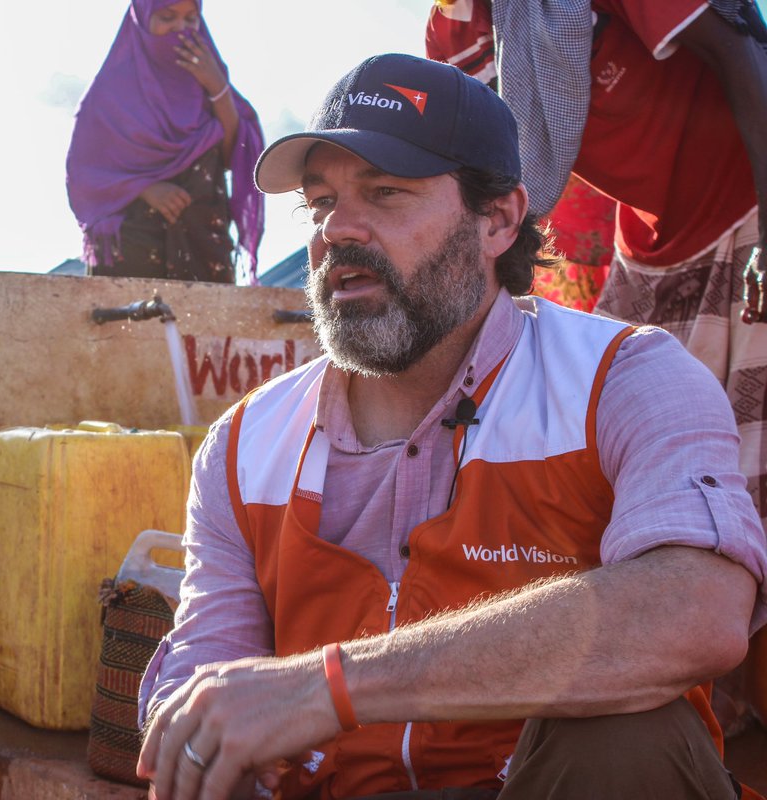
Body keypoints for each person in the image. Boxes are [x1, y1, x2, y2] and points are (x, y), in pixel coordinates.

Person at [135, 54, 767, 800]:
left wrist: (331, 687)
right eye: (321, 202)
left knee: (626, 732)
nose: (337, 229)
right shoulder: (246, 445)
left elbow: (695, 612)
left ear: (497, 220)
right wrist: (207, 739)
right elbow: (202, 681)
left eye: (386, 192)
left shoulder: (625, 379)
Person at [430, 0, 767, 524]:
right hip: (648, 247)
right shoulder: (449, 32)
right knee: (622, 457)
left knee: (748, 475)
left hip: (746, 205)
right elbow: (472, 184)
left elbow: (741, 50)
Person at [425, 1, 617, 313]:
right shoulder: (444, 26)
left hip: (615, 191)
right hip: (534, 226)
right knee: (559, 339)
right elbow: (456, 144)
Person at [65, 0, 264, 284]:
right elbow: (83, 177)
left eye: (191, 19)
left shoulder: (211, 83)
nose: (180, 29)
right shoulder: (108, 95)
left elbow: (238, 157)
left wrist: (217, 87)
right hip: (132, 256)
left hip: (205, 251)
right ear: (143, 20)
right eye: (167, 17)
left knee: (207, 329)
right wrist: (145, 188)